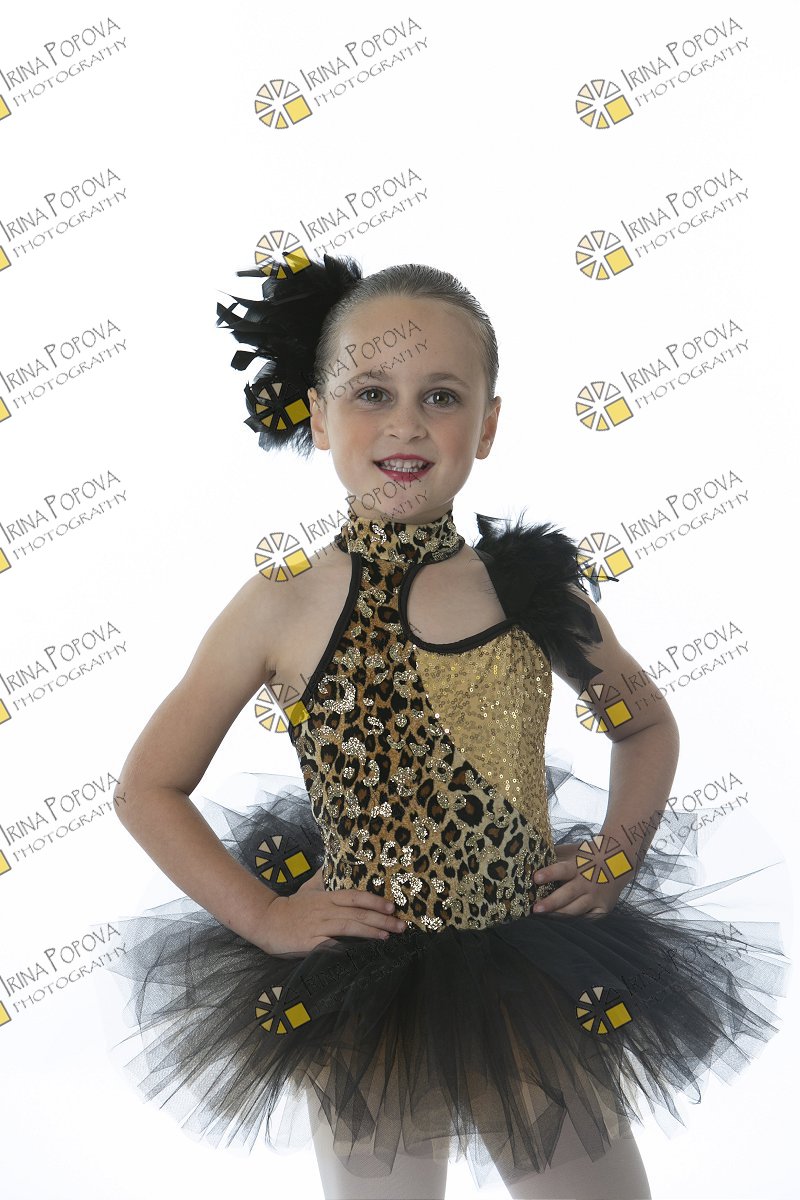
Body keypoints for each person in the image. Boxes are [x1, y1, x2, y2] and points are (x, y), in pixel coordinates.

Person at [110, 253, 789, 1200]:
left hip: (531, 965)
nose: (405, 424)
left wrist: (616, 857)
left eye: (440, 396)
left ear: (489, 424)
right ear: (317, 415)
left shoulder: (528, 589)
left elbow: (642, 726)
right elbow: (148, 788)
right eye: (371, 394)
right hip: (362, 984)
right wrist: (264, 915)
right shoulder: (279, 604)